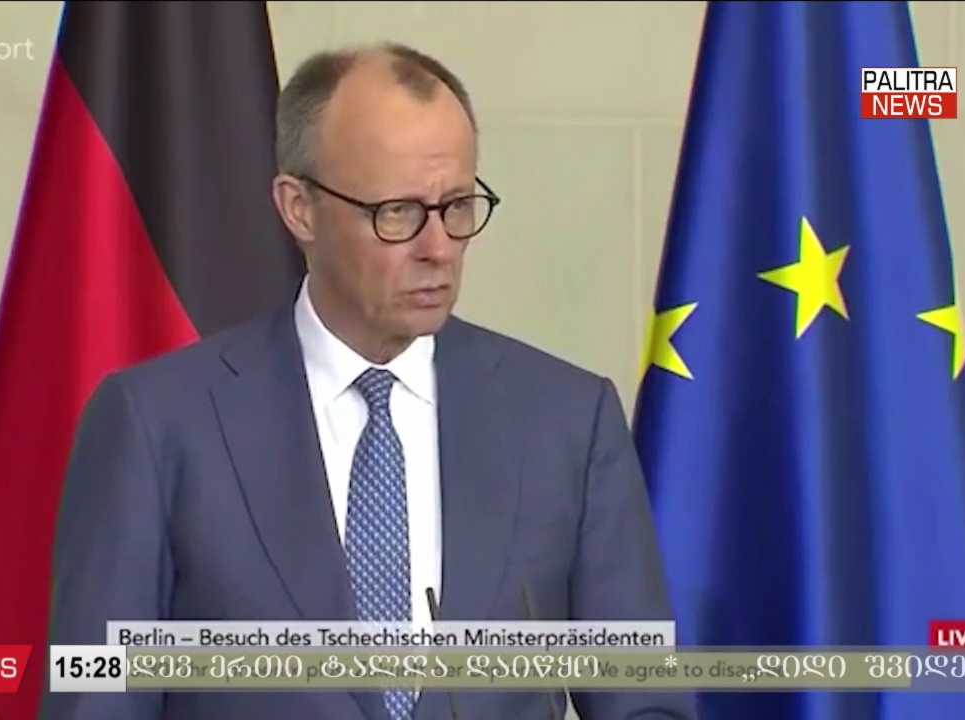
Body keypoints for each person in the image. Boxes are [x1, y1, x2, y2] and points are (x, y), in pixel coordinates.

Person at [41, 42, 694, 720]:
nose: (438, 248)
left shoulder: (567, 424)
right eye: (398, 212)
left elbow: (646, 704)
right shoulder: (158, 425)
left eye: (457, 206)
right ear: (299, 208)